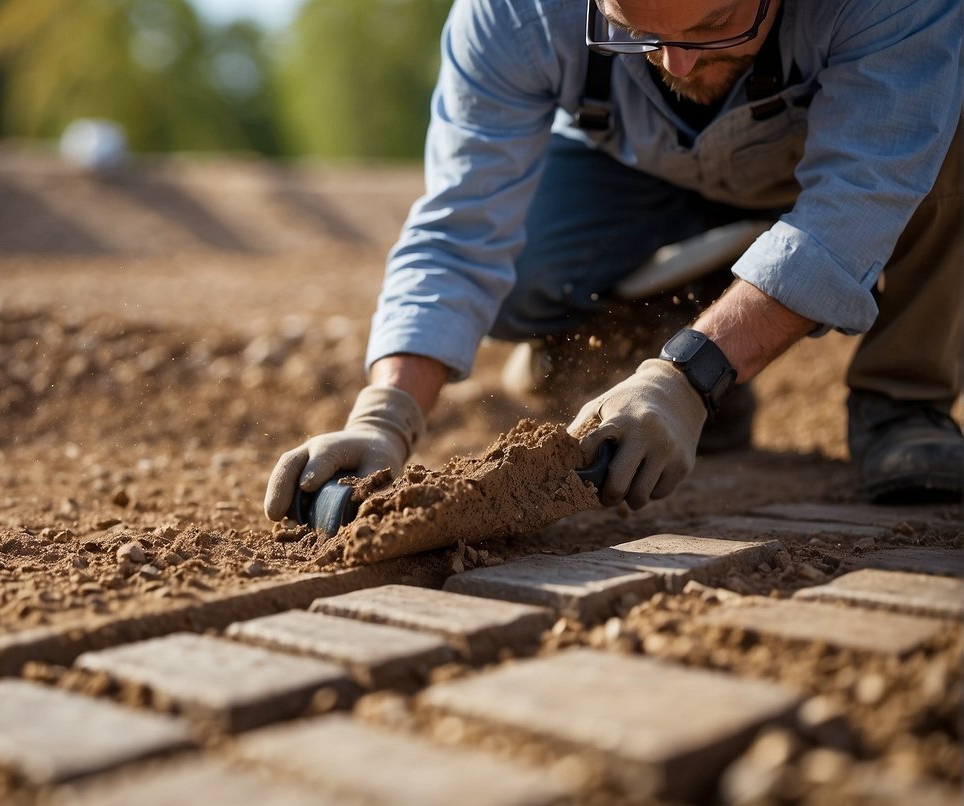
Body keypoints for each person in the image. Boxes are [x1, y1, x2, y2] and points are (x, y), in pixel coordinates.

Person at [265, 0, 963, 522]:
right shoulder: (516, 12)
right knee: (526, 273)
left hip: (832, 158)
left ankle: (901, 406)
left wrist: (688, 378)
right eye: (635, 29)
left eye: (711, 24)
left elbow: (858, 200)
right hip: (632, 169)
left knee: (951, 134)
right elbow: (461, 227)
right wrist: (384, 416)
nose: (675, 63)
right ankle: (666, 349)